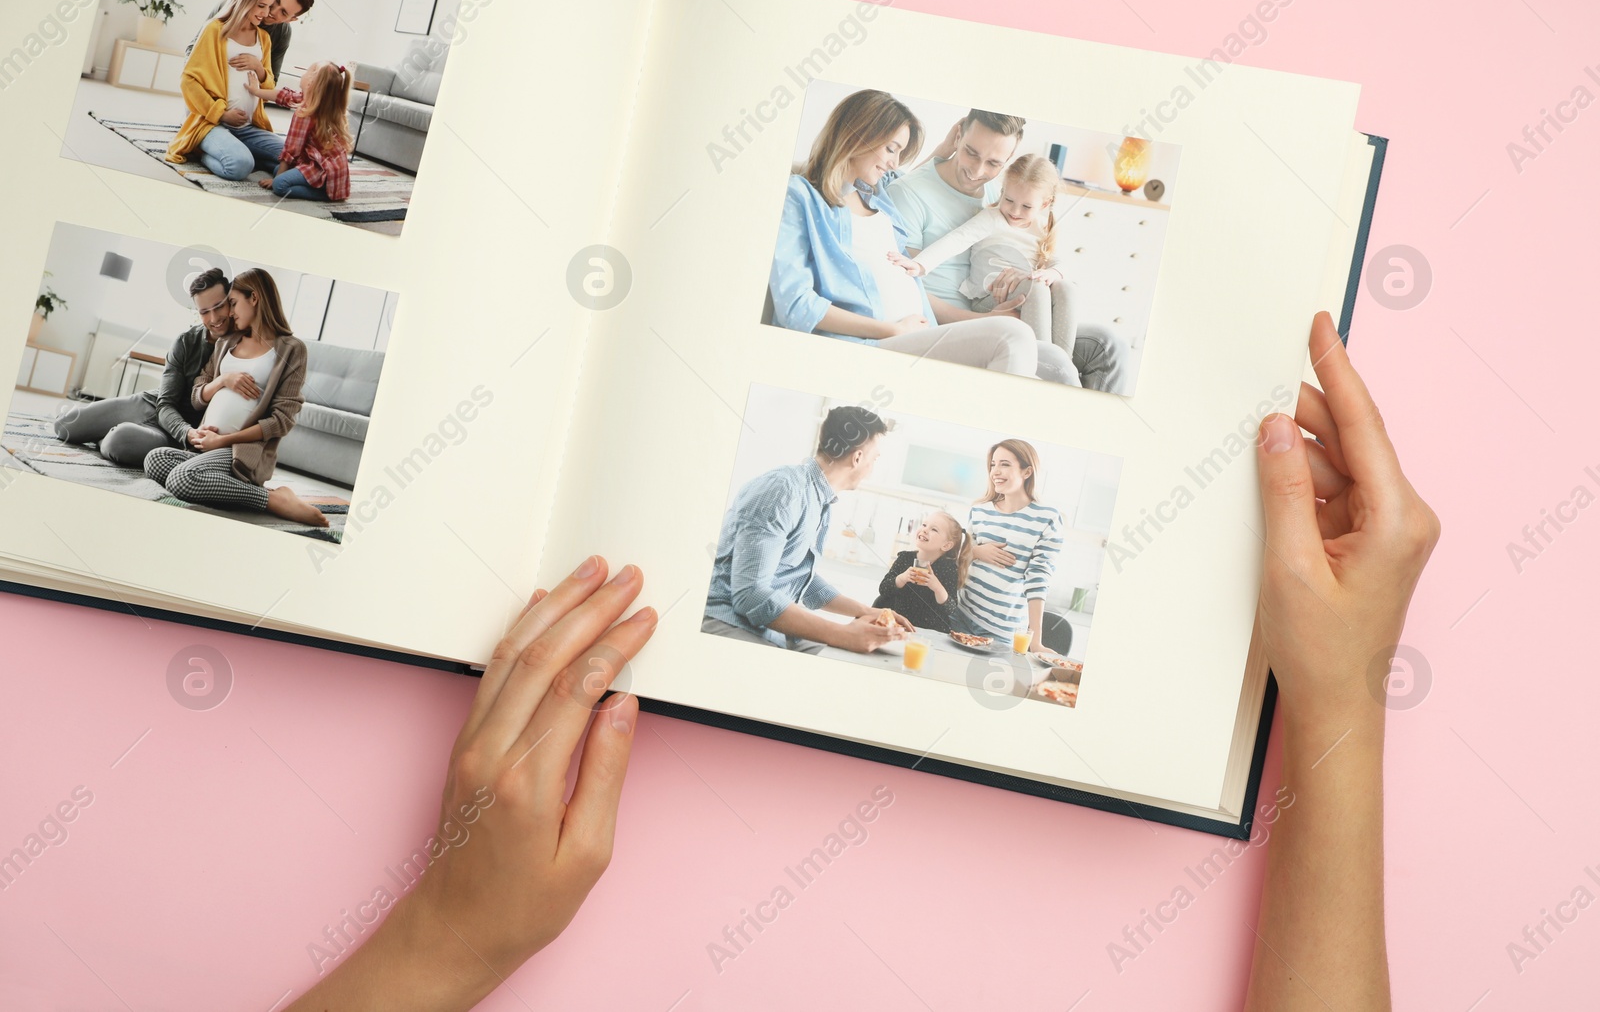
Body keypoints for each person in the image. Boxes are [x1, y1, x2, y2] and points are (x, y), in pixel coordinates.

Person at [282, 312, 1436, 1009]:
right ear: (858, 452)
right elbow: (766, 597)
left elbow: (841, 590)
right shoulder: (826, 503)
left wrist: (446, 943)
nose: (943, 496)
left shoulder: (866, 510)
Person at [768, 90, 1043, 377]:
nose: (895, 162)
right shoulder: (801, 197)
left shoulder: (876, 194)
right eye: (891, 149)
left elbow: (911, 180)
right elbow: (796, 306)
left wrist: (947, 148)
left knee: (1052, 359)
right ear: (857, 134)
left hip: (922, 335)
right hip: (874, 342)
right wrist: (892, 329)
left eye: (900, 153)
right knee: (1014, 335)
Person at [888, 108, 1129, 393]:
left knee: (1108, 344)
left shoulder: (1002, 194)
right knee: (1053, 360)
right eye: (971, 153)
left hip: (1012, 310)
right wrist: (986, 320)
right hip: (955, 324)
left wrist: (1044, 276)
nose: (977, 172)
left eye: (993, 163)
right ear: (958, 135)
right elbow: (906, 288)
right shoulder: (908, 195)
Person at [701, 404, 913, 654]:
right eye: (874, 459)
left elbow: (799, 577)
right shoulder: (784, 490)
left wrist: (865, 611)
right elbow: (751, 594)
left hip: (765, 627)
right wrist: (843, 634)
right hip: (728, 621)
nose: (872, 469)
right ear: (857, 458)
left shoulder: (817, 498)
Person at [142, 268, 328, 527]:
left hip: (238, 451)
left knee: (181, 479)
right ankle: (237, 487)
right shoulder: (226, 342)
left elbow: (281, 421)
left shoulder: (292, 349)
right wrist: (222, 381)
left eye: (232, 303)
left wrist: (224, 440)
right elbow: (197, 395)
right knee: (155, 459)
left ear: (254, 298)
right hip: (205, 445)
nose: (228, 313)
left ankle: (272, 500)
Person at [890, 153, 1075, 361]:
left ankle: (1063, 363)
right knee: (1038, 288)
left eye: (1026, 206)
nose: (1014, 211)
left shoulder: (1043, 228)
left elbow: (1062, 262)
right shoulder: (992, 218)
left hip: (1026, 296)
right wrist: (920, 264)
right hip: (988, 298)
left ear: (1044, 204)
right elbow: (956, 240)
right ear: (1002, 191)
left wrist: (1052, 272)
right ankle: (1043, 365)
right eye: (1009, 200)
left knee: (1066, 287)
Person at [53, 268, 234, 467]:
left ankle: (107, 435)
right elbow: (165, 404)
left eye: (219, 306)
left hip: (173, 436)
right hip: (150, 405)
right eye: (204, 312)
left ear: (230, 301)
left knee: (117, 443)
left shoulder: (245, 346)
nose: (214, 318)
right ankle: (111, 429)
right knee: (64, 426)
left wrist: (188, 434)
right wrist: (188, 432)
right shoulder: (185, 341)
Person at [166, 0, 287, 182]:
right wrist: (221, 114)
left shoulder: (264, 39)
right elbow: (188, 80)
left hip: (249, 127)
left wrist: (259, 68)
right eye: (261, 6)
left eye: (268, 6)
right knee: (240, 166)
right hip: (213, 123)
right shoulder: (214, 29)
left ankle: (242, 151)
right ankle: (201, 151)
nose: (266, 13)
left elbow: (268, 89)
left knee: (290, 157)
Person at [951, 439, 1063, 652]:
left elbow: (1039, 578)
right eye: (993, 464)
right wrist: (976, 552)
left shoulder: (1047, 518)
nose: (995, 471)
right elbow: (957, 559)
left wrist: (1036, 641)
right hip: (960, 615)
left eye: (1005, 464)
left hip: (1003, 632)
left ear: (1027, 472)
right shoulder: (979, 510)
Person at [244, 60, 353, 201]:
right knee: (279, 169)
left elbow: (291, 150)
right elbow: (283, 96)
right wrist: (256, 91)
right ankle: (321, 187)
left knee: (279, 184)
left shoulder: (305, 112)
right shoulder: (313, 100)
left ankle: (326, 194)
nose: (304, 73)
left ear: (311, 83)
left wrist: (276, 179)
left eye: (308, 71)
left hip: (323, 171)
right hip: (326, 167)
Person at [186, 0, 315, 87]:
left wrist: (259, 67)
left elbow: (271, 82)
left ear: (291, 20)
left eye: (283, 13)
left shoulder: (282, 34)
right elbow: (193, 50)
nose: (272, 11)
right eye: (277, 1)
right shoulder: (228, 5)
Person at [872, 510, 971, 631]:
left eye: (934, 529)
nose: (925, 530)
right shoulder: (904, 558)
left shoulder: (948, 568)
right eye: (924, 525)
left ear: (946, 545)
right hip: (898, 625)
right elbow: (884, 589)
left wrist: (937, 587)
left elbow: (950, 608)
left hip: (930, 630)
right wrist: (902, 578)